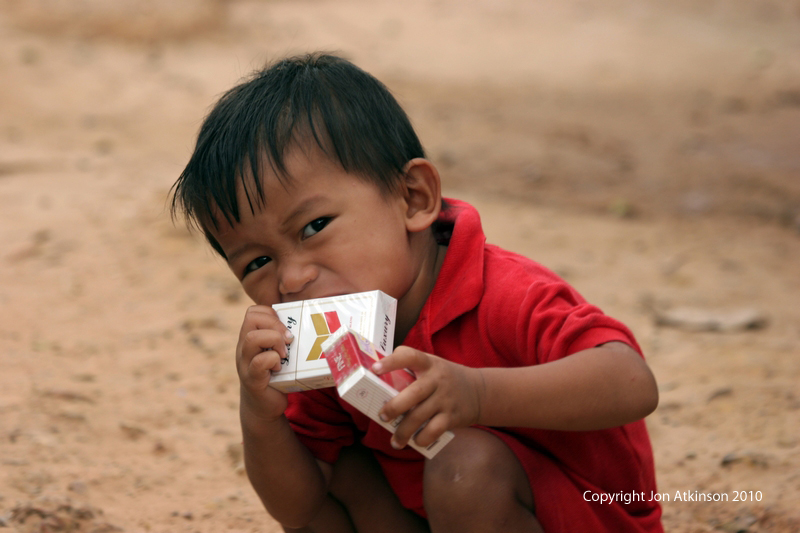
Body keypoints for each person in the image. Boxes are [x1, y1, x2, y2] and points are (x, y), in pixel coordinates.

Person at [170, 52, 663, 532]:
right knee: (337, 471)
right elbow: (298, 508)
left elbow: (631, 382)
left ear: (413, 198)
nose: (291, 280)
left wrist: (478, 394)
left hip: (590, 512)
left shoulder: (503, 293)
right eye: (258, 262)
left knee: (466, 463)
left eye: (314, 226)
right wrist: (260, 415)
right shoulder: (326, 348)